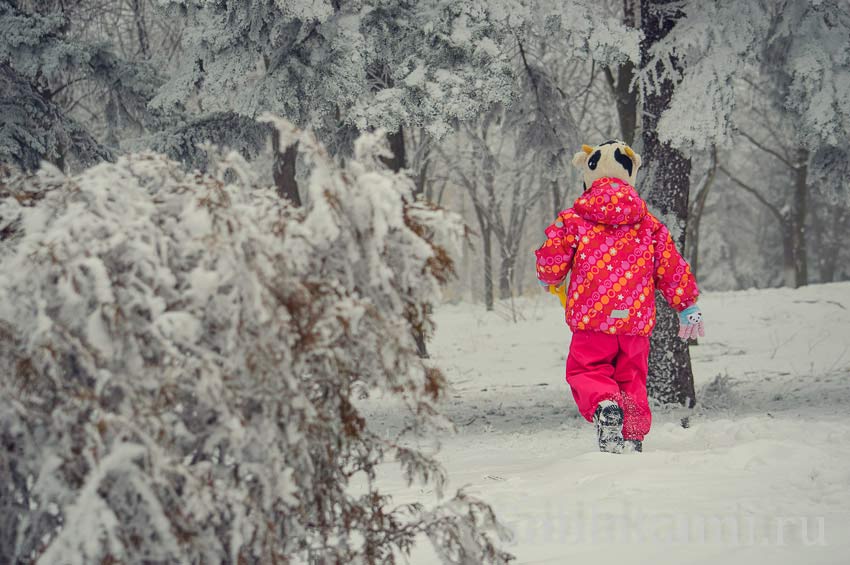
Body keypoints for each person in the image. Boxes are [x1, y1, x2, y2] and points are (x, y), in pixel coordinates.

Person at [534, 140, 705, 453]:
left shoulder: (572, 220)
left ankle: (605, 407)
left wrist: (549, 275)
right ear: (631, 175)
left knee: (587, 371)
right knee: (632, 378)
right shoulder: (649, 225)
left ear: (589, 171)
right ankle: (633, 435)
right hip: (634, 322)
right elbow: (671, 267)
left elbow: (551, 260)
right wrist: (687, 305)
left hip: (592, 320)